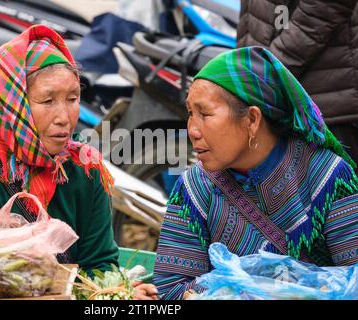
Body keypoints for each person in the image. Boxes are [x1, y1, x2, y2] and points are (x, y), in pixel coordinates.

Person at [0, 24, 157, 300]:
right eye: (48, 100)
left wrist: (115, 294)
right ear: (13, 105)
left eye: (72, 99)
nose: (64, 117)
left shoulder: (84, 169)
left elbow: (99, 262)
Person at [153, 46, 358, 300]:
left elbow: (354, 281)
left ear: (251, 119)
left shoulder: (327, 177)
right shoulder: (195, 187)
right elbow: (171, 290)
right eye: (190, 114)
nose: (192, 129)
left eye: (205, 114)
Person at [236, 0, 358, 171]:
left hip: (322, 100)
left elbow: (323, 10)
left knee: (334, 192)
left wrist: (272, 67)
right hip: (273, 94)